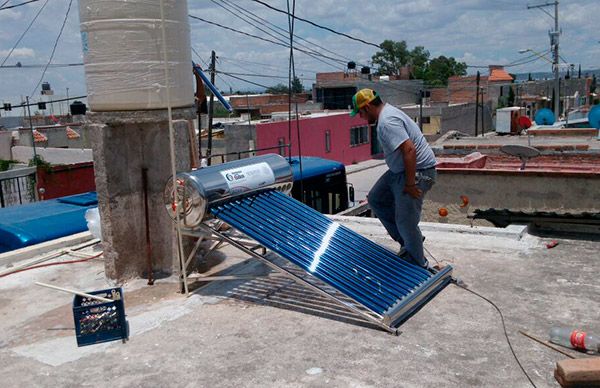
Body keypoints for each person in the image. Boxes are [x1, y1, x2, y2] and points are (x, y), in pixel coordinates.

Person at [350, 89, 437, 269]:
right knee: (376, 198)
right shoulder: (388, 114)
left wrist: (411, 183)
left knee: (406, 220)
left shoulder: (387, 122)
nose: (361, 118)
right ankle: (409, 241)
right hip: (400, 171)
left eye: (360, 113)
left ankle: (416, 264)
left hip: (417, 172)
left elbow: (409, 150)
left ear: (367, 107)